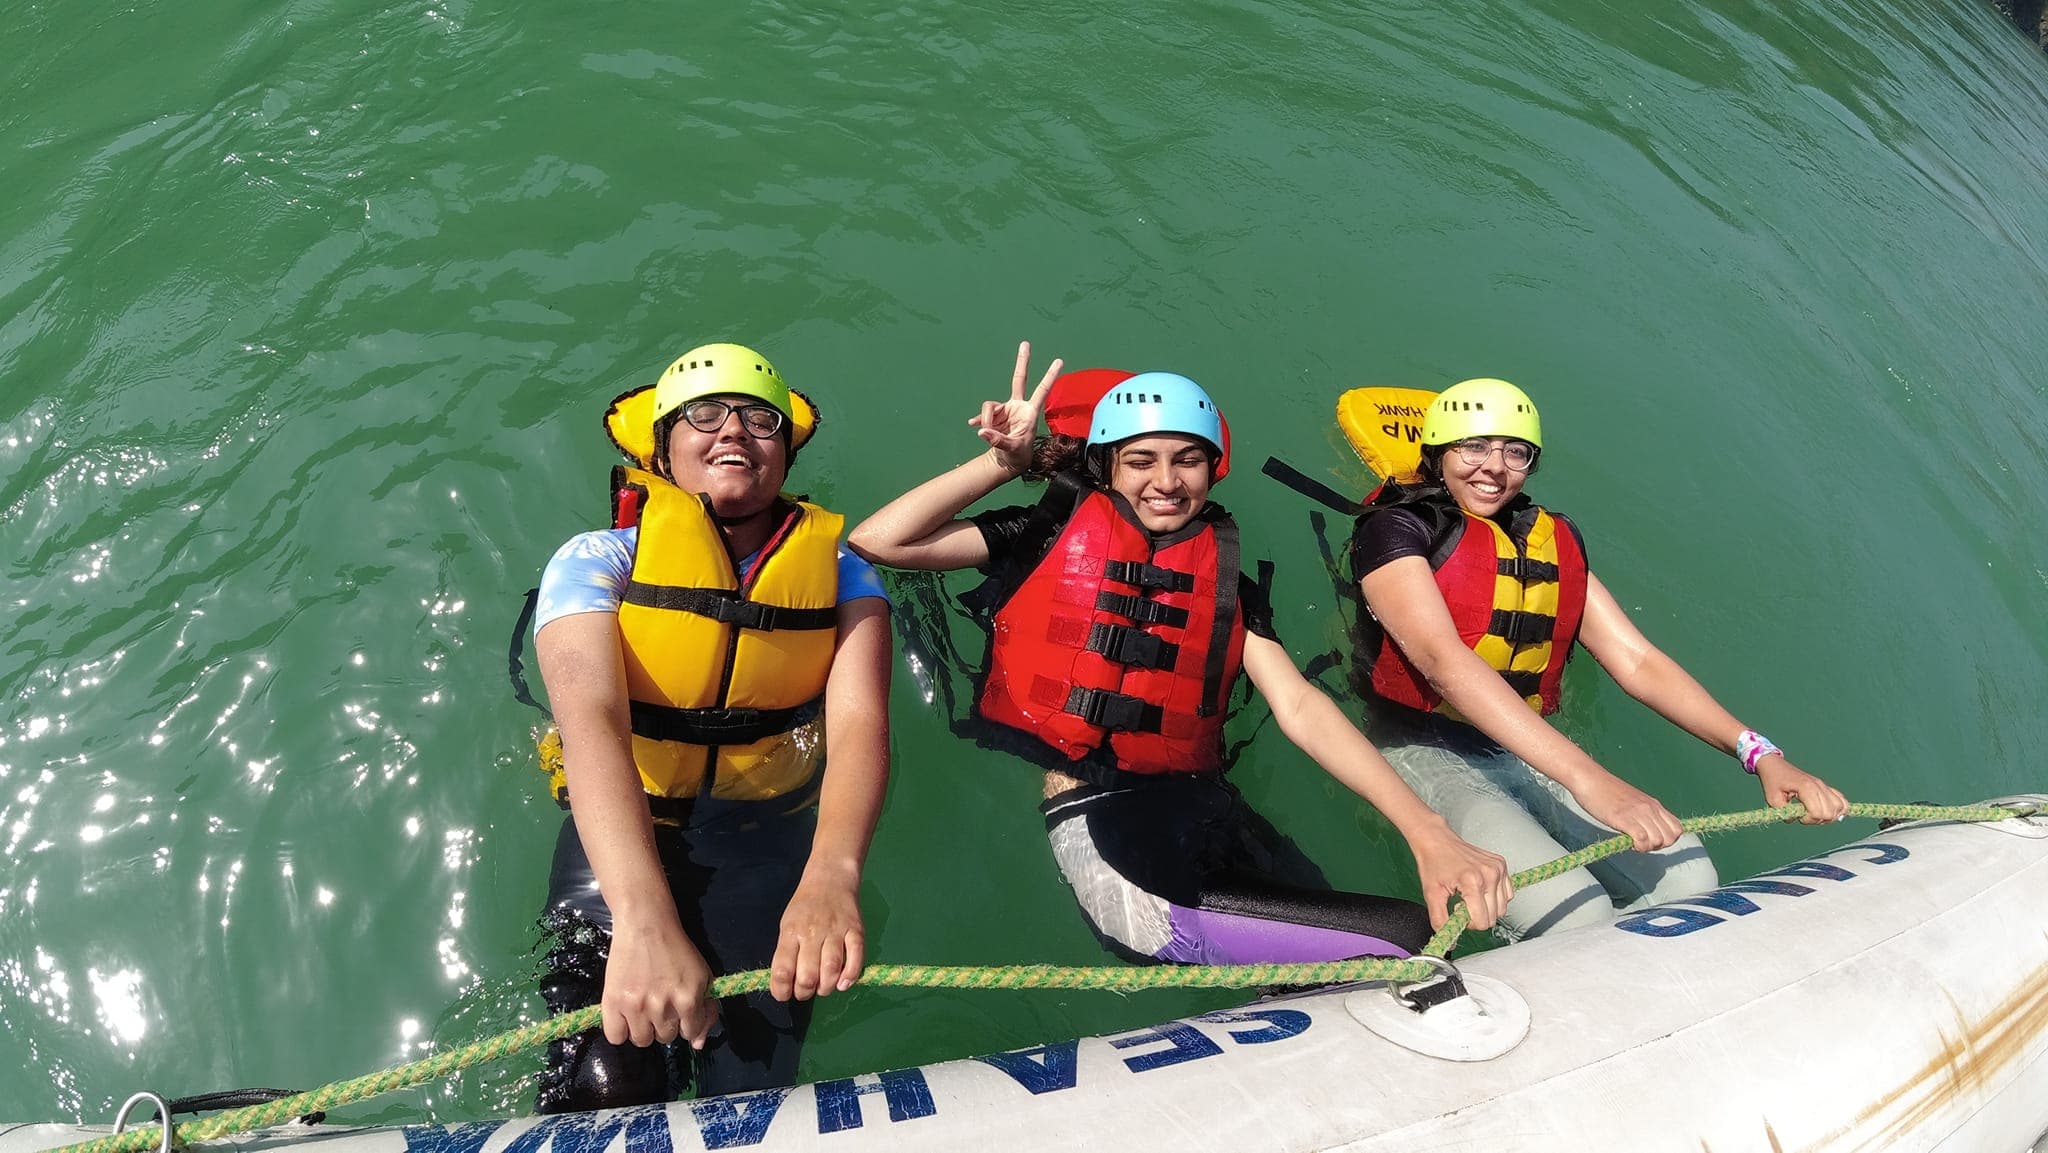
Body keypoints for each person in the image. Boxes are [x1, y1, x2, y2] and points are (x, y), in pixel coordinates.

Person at [847, 343, 1511, 966]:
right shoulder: (1044, 534)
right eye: (1140, 461)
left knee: (1418, 927)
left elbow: (1300, 705)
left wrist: (1426, 829)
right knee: (1404, 938)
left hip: (1211, 812)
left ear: (1213, 466)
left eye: (1186, 459)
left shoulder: (1224, 582)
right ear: (1106, 466)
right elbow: (882, 541)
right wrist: (1002, 465)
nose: (1165, 481)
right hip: (1119, 853)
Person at [1347, 376, 1848, 942]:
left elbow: (1637, 661)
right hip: (1420, 746)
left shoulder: (1543, 539)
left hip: (1519, 744)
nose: (1495, 466)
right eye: (1474, 447)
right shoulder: (1394, 529)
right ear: (1437, 454)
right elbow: (1444, 661)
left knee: (1690, 879)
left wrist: (1759, 753)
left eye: (1516, 452)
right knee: (1576, 914)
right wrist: (1590, 780)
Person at [528, 343, 890, 1111]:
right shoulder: (596, 560)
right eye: (704, 413)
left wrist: (832, 876)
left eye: (762, 419)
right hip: (626, 834)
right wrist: (640, 915)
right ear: (662, 447)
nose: (734, 429)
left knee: (752, 1088)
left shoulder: (846, 573)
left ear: (785, 456)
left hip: (766, 838)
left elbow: (860, 722)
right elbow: (590, 721)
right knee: (603, 1085)